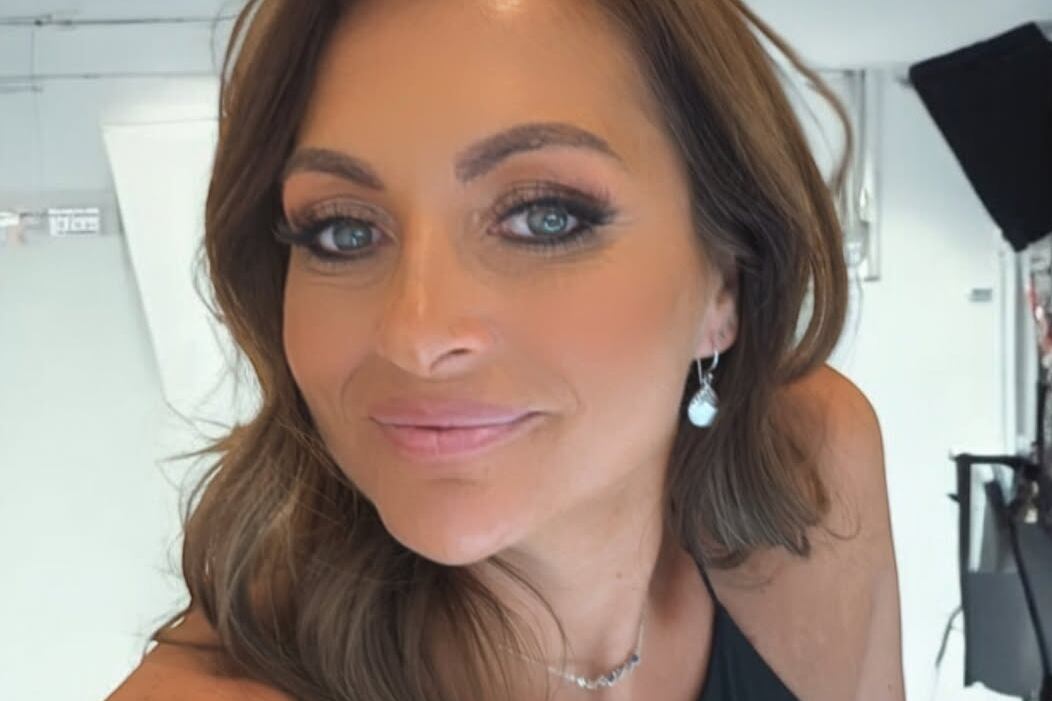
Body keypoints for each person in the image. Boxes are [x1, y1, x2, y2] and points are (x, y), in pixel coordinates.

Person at [106, 0, 904, 699]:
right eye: (342, 231)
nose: (416, 336)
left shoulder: (812, 464)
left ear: (723, 285)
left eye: (543, 218)